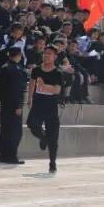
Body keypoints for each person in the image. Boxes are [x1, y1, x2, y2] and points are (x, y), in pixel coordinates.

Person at [26, 45, 63, 173]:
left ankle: (52, 162)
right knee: (31, 124)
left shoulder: (58, 72)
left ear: (55, 57)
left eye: (49, 54)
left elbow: (57, 90)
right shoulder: (36, 69)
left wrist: (44, 86)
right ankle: (43, 138)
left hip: (51, 106)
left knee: (53, 136)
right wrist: (29, 98)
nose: (46, 55)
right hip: (38, 104)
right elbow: (32, 84)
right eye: (45, 53)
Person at [0, 47, 28, 164]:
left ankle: (3, 155)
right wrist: (18, 105)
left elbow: (0, 89)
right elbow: (17, 90)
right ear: (18, 55)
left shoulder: (4, 68)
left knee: (5, 130)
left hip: (5, 104)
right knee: (15, 131)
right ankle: (11, 155)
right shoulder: (16, 70)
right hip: (14, 105)